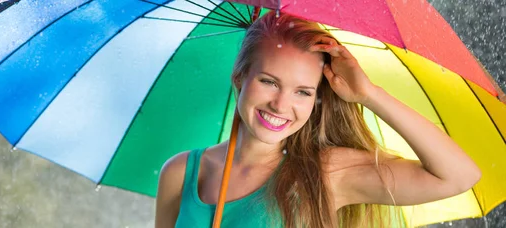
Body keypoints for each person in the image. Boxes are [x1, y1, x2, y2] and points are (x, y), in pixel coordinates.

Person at [155, 11, 481, 228]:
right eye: (268, 81)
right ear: (240, 78)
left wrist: (368, 93)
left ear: (317, 96)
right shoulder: (180, 172)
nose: (281, 105)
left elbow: (458, 176)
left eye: (303, 92)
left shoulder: (324, 174)